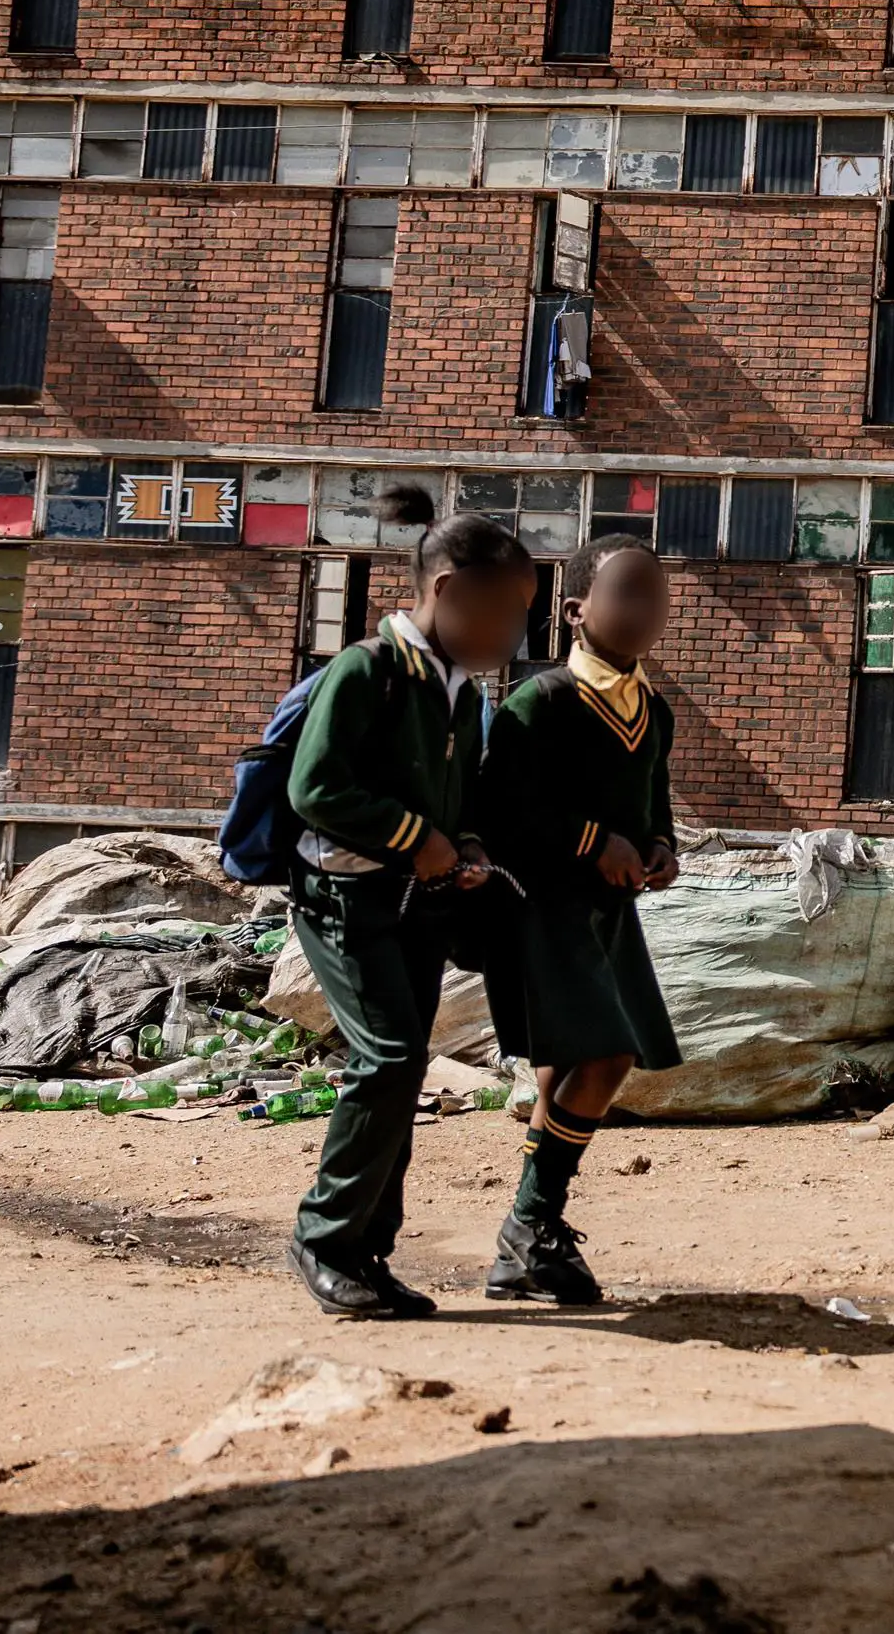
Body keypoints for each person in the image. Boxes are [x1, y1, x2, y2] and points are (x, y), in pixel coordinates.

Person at [281, 500, 532, 1320]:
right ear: (448, 591)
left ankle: (368, 1253)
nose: (513, 636)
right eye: (504, 613)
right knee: (387, 1058)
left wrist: (465, 845)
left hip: (418, 902)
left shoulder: (459, 691)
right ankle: (324, 1238)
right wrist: (414, 837)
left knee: (404, 1064)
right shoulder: (369, 671)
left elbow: (458, 798)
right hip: (345, 897)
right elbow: (315, 788)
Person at [472, 538, 685, 1305]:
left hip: (608, 913)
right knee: (607, 1056)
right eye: (626, 592)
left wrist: (660, 847)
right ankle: (531, 1221)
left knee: (564, 1069)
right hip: (542, 907)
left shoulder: (652, 709)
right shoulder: (543, 702)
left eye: (656, 597)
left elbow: (653, 805)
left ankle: (524, 1251)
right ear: (574, 610)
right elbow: (501, 811)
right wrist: (594, 842)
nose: (644, 609)